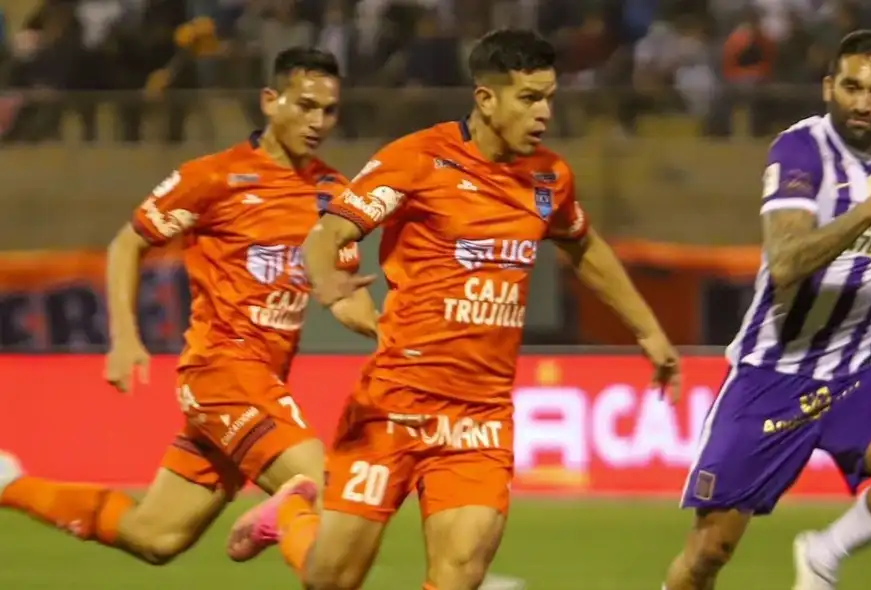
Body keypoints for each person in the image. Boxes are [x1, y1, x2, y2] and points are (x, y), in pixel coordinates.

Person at [226, 28, 682, 590]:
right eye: (529, 98)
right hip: (395, 403)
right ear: (486, 99)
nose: (543, 113)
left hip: (480, 417)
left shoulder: (549, 177)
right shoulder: (418, 160)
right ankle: (291, 516)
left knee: (461, 573)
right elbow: (328, 235)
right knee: (330, 579)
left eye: (549, 98)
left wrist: (648, 332)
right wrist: (335, 288)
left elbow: (582, 245)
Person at [0, 47, 377, 566]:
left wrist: (391, 331)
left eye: (328, 110)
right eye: (304, 105)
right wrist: (125, 336)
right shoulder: (215, 178)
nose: (317, 122)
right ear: (270, 101)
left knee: (155, 537)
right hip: (221, 372)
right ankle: (276, 521)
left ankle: (8, 485)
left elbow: (345, 298)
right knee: (321, 487)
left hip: (264, 380)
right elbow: (128, 243)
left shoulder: (334, 191)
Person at [664, 30, 871, 590]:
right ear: (828, 88)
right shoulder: (799, 152)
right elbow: (787, 262)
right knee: (709, 551)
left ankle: (822, 556)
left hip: (855, 371)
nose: (863, 102)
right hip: (773, 373)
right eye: (852, 87)